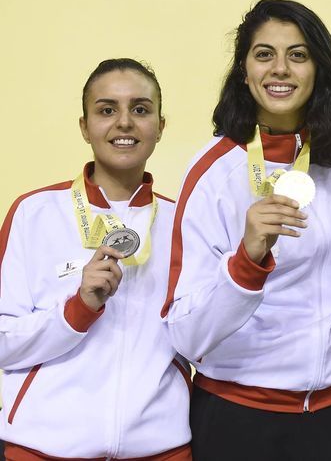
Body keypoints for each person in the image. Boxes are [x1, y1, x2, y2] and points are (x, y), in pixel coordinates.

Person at [161, 0, 331, 461]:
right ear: (244, 72)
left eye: (297, 55)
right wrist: (246, 261)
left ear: (318, 69)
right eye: (264, 54)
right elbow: (186, 335)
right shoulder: (213, 171)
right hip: (242, 418)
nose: (280, 68)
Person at [0, 59, 191, 460]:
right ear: (85, 127)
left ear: (160, 126)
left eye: (140, 109)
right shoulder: (33, 213)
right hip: (43, 450)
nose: (124, 122)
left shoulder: (185, 223)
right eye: (107, 110)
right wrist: (77, 309)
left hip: (160, 449)